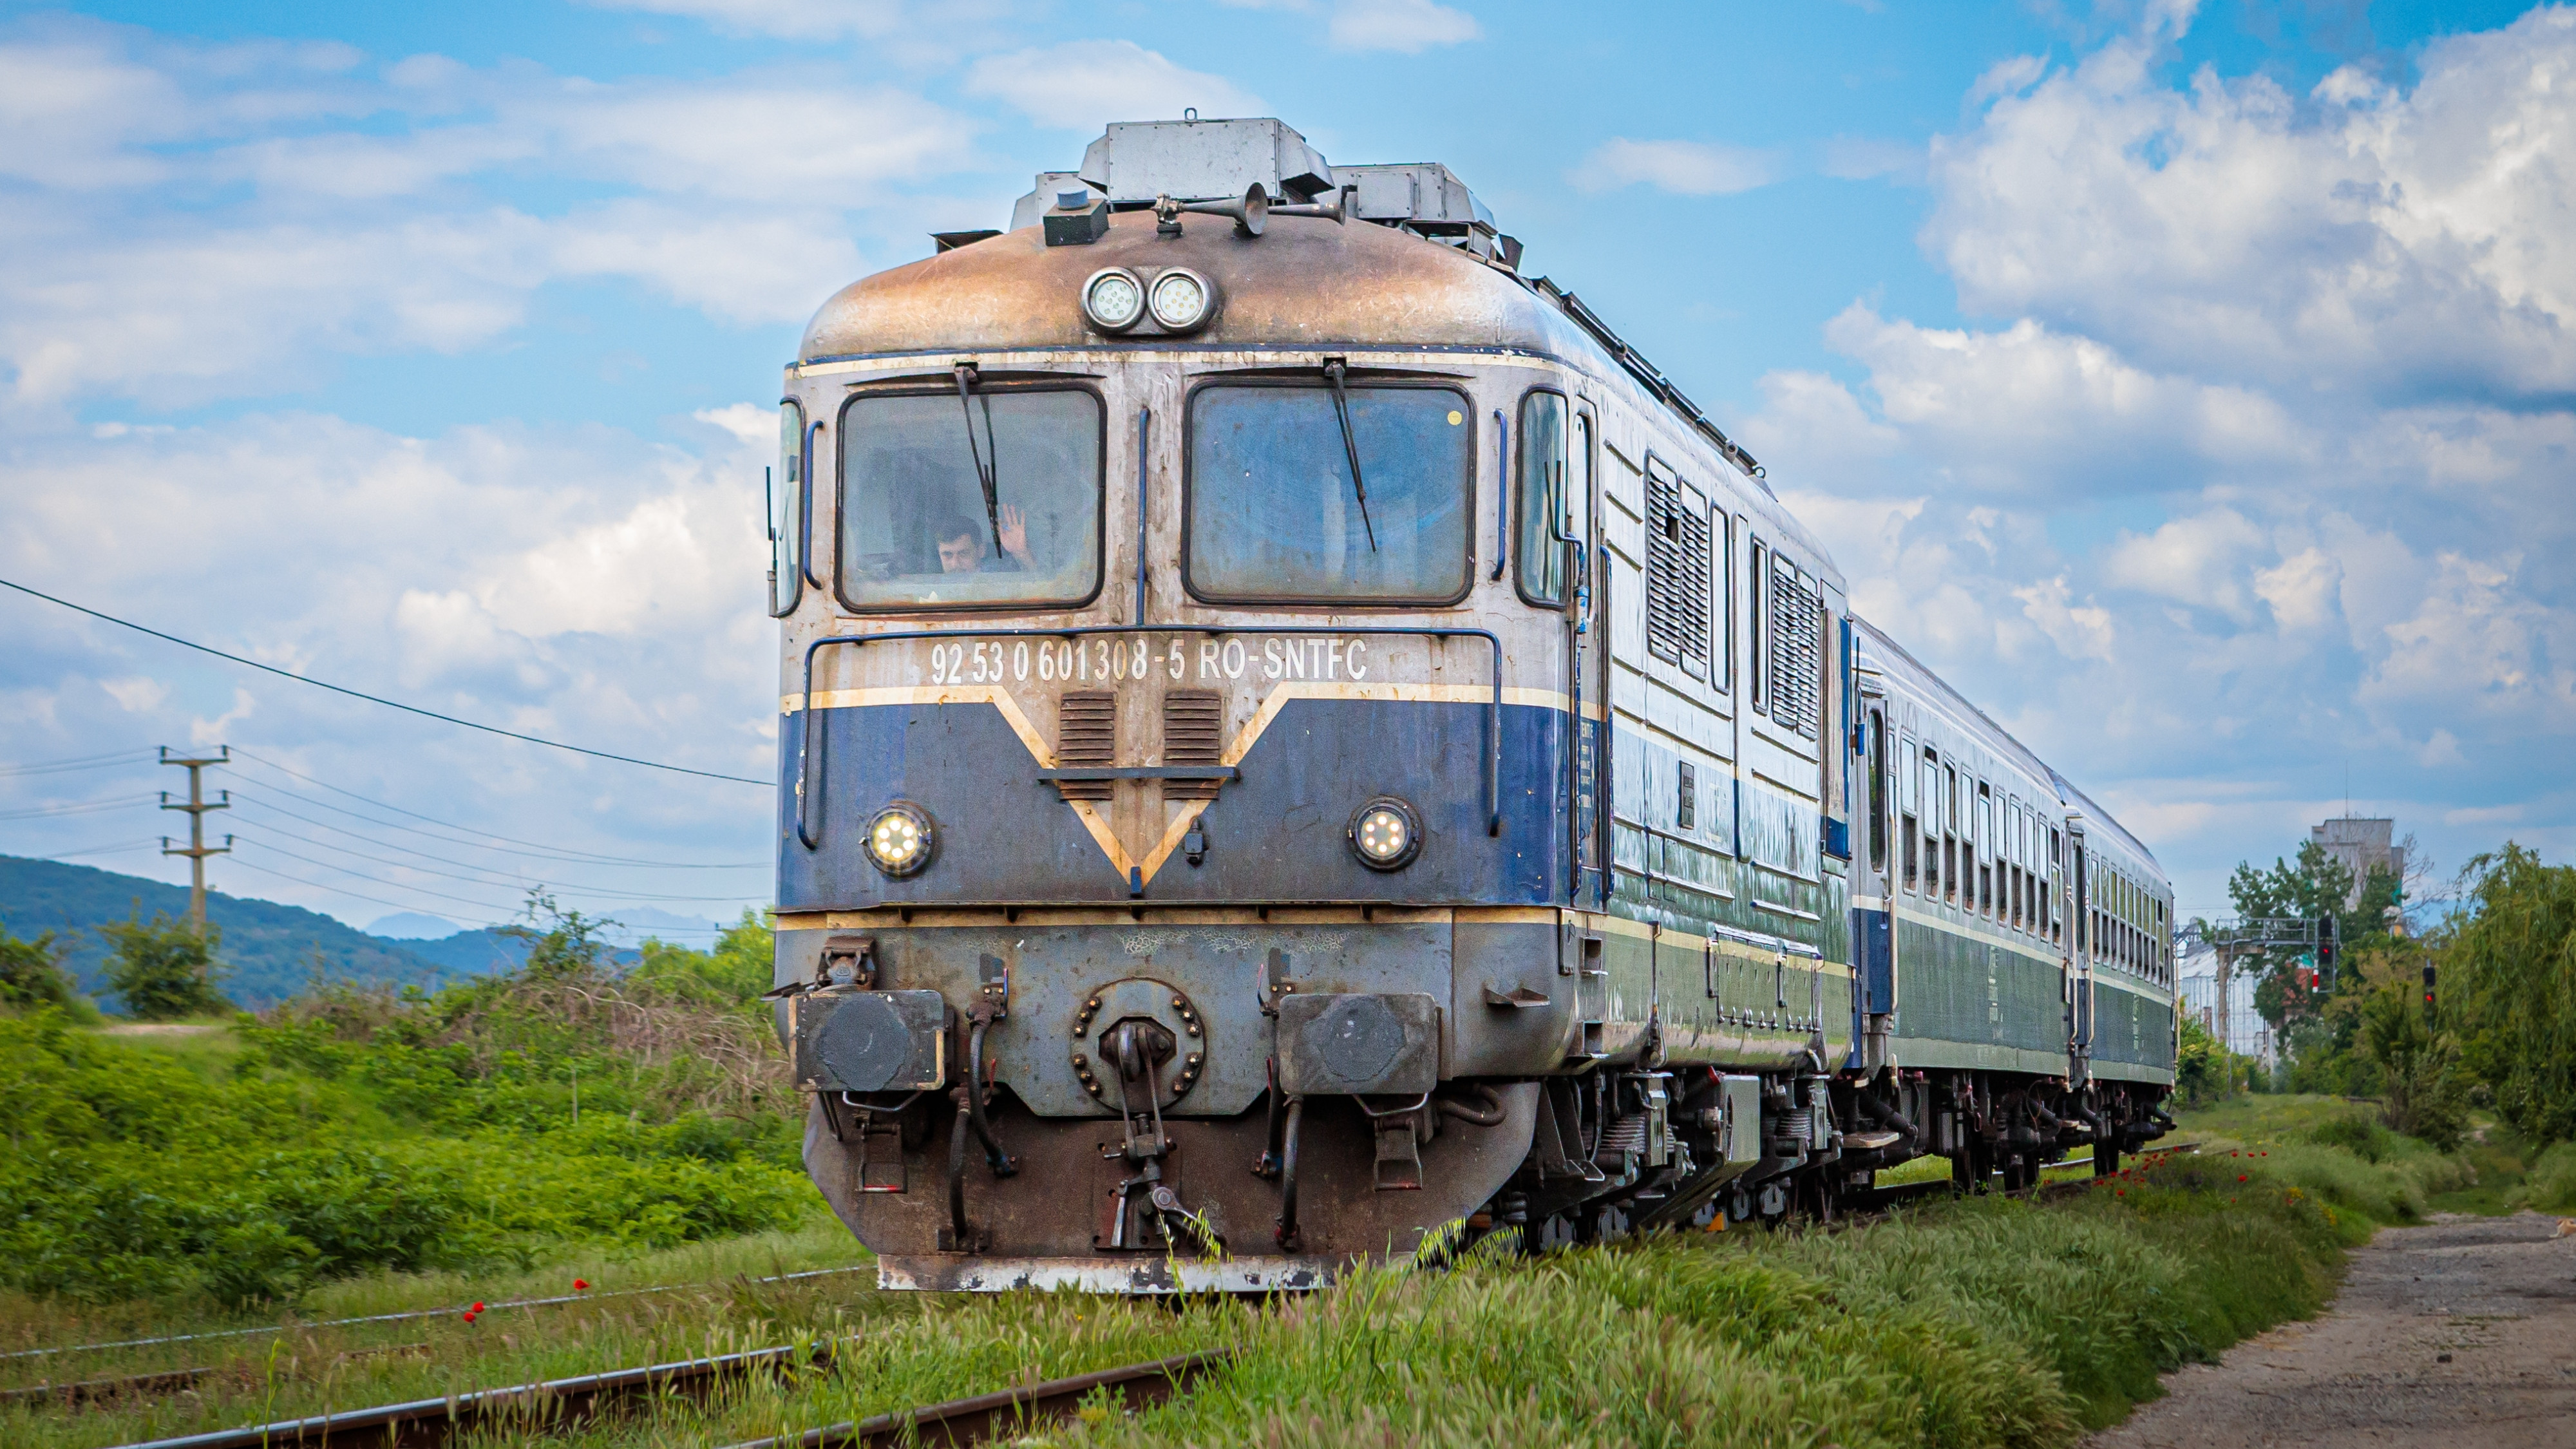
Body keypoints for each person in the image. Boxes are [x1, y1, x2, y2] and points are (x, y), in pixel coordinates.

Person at [934, 501, 1038, 574]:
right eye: (947, 555)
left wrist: (1022, 553)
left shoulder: (1000, 573)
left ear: (981, 551)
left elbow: (1038, 587)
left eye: (963, 553)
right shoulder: (928, 583)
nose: (955, 563)